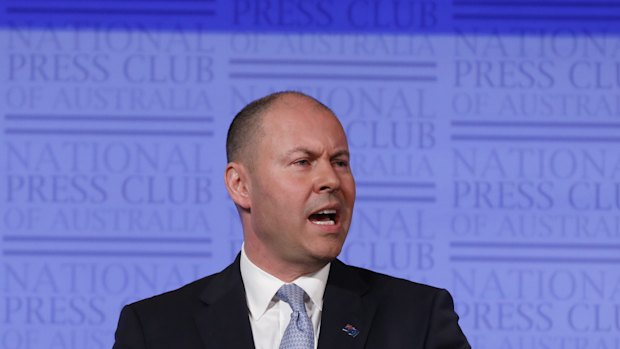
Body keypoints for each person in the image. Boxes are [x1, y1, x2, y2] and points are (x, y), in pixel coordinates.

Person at [112, 91, 471, 349]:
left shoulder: (419, 319)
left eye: (340, 162)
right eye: (303, 162)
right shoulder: (155, 329)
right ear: (240, 185)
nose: (331, 180)